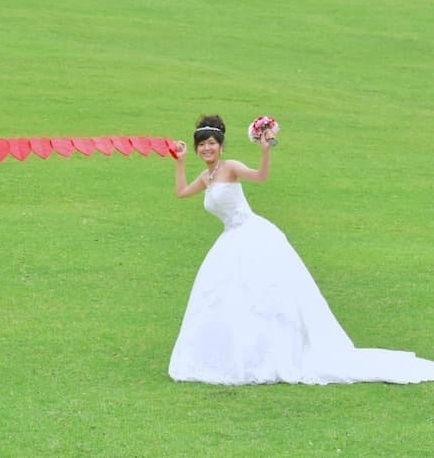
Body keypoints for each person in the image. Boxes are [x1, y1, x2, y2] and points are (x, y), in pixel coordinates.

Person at [168, 114, 434, 385]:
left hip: (252, 235)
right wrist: (180, 161)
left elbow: (260, 176)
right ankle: (237, 352)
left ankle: (272, 353)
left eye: (211, 143)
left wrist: (264, 151)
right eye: (202, 145)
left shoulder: (230, 167)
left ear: (221, 145)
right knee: (226, 296)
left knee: (264, 295)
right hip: (229, 239)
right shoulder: (207, 176)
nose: (206, 149)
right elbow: (181, 192)